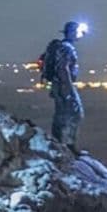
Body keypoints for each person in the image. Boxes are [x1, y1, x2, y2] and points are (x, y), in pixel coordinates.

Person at [42, 21, 85, 151]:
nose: (80, 34)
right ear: (72, 33)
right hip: (63, 86)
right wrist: (69, 87)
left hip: (58, 85)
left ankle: (62, 143)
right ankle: (67, 144)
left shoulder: (61, 47)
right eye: (78, 31)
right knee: (73, 113)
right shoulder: (67, 48)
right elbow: (63, 68)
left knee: (62, 113)